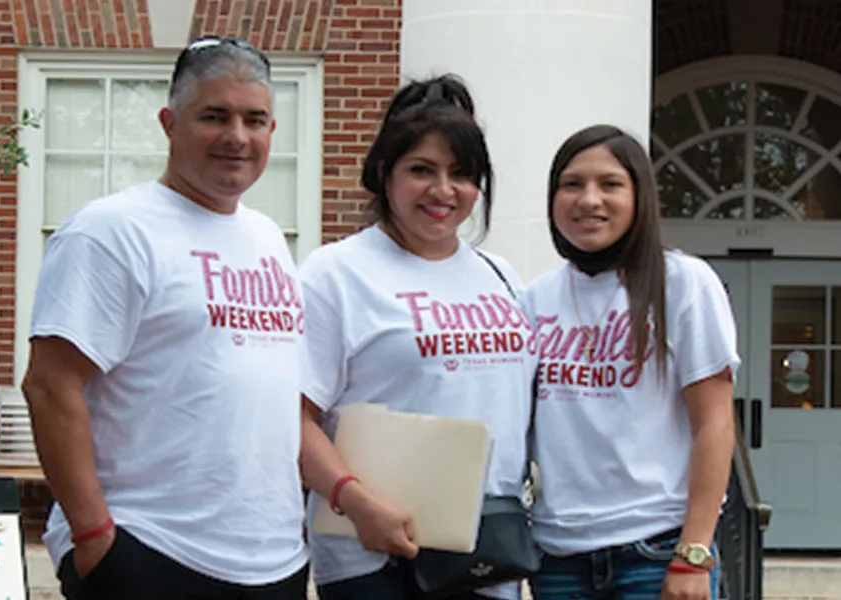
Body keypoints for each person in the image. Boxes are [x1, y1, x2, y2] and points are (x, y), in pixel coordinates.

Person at [21, 36, 308, 600]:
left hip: (272, 560)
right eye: (214, 116)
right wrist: (95, 535)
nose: (237, 136)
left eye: (255, 119)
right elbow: (51, 386)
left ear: (272, 130)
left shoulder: (268, 238)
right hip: (151, 550)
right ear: (169, 122)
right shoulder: (111, 232)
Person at [297, 74, 535, 600]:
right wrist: (355, 502)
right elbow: (292, 418)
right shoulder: (335, 273)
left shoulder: (500, 275)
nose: (443, 191)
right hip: (375, 557)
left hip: (486, 554)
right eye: (421, 171)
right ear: (385, 174)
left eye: (462, 174)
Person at [522, 124, 738, 600]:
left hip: (656, 551)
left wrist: (694, 552)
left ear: (640, 196)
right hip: (558, 557)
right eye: (572, 184)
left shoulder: (683, 283)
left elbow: (716, 423)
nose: (589, 199)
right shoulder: (535, 299)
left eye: (610, 184)